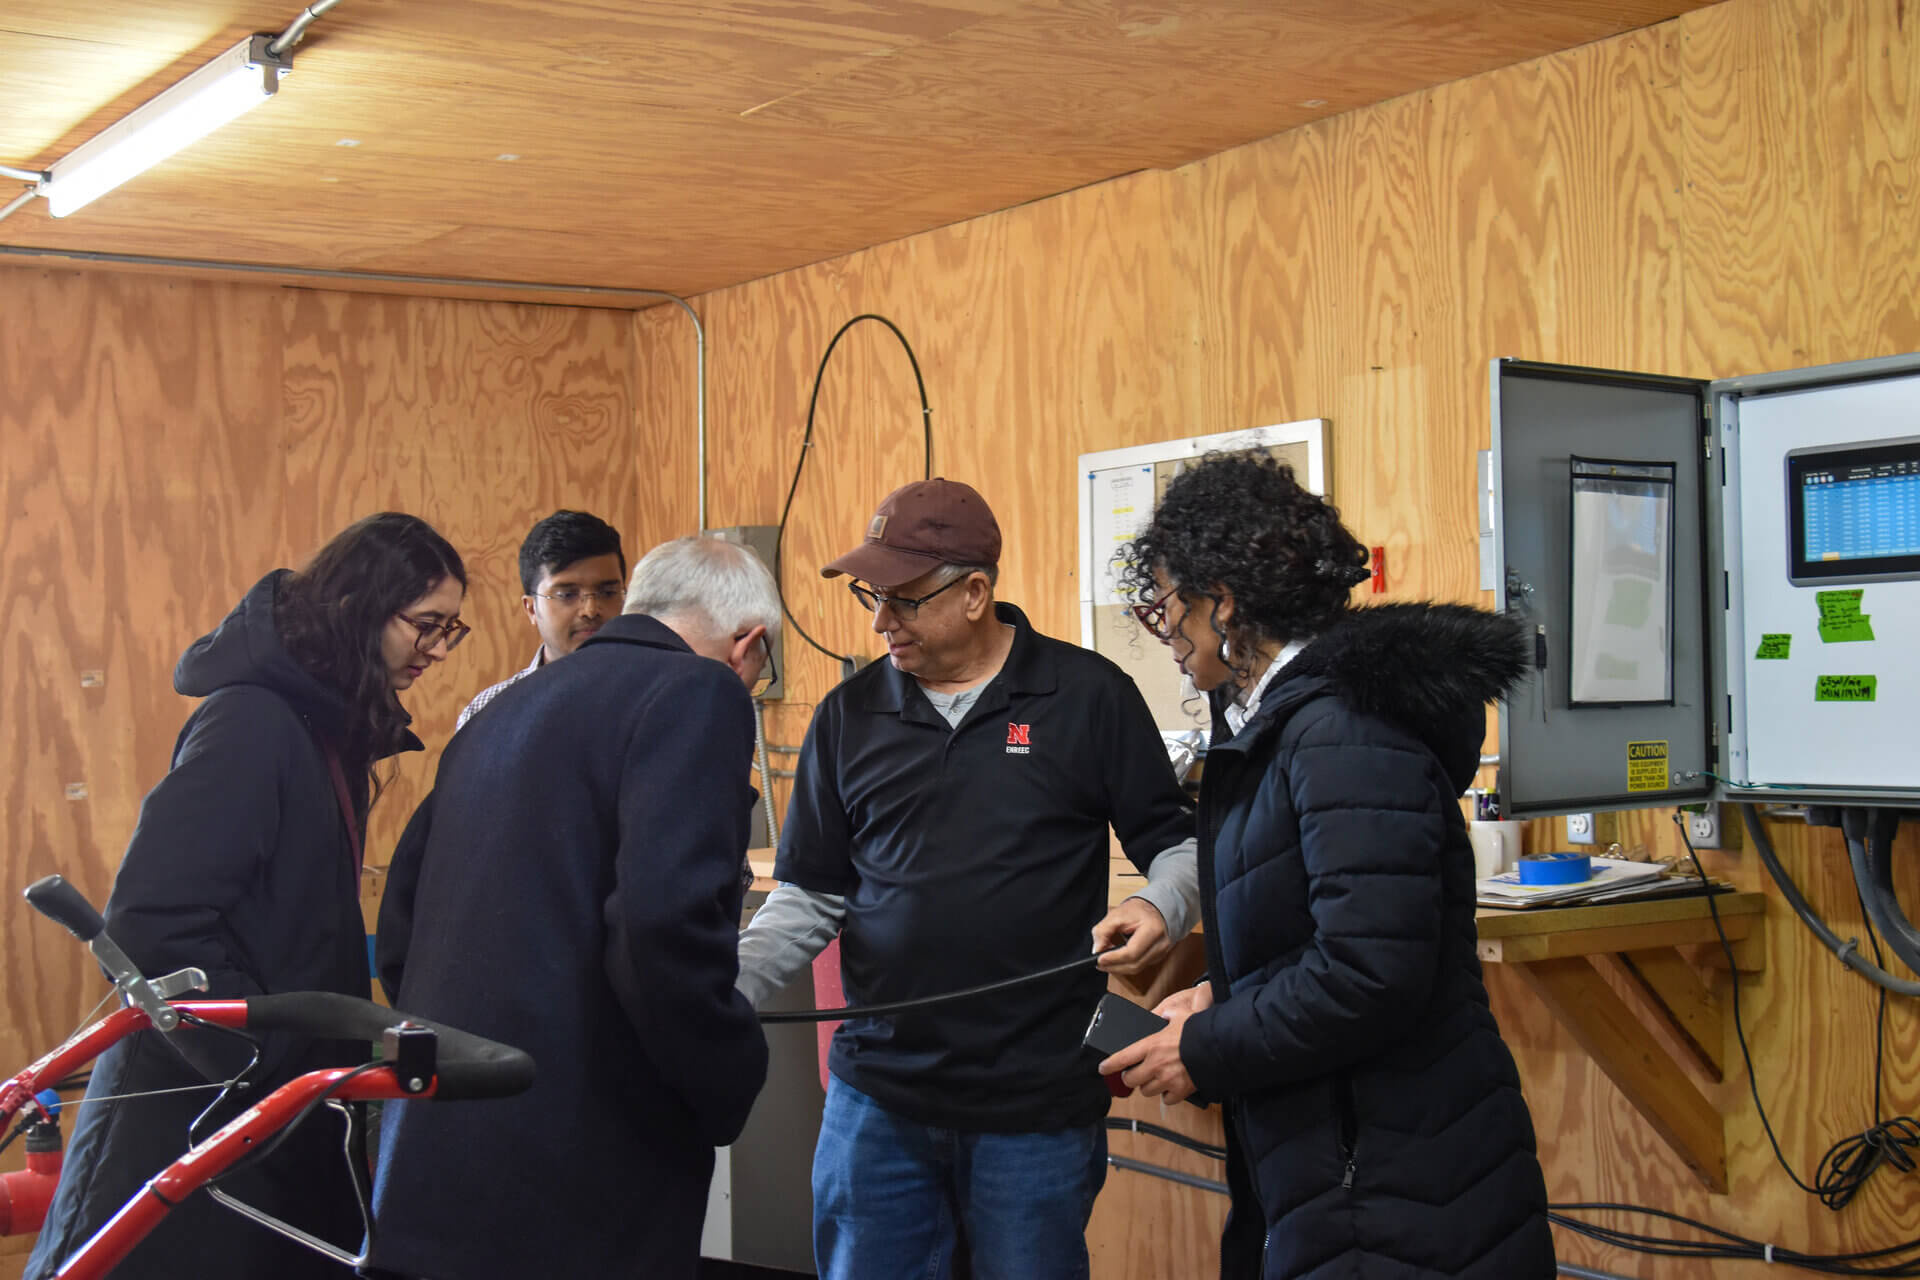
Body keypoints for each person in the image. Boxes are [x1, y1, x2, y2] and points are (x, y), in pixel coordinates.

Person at [1099, 452, 1556, 1280]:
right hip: (1347, 1169)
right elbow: (1313, 934)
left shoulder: (1342, 731)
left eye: (1167, 607)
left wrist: (1206, 1047)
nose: (1165, 635)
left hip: (1396, 1189)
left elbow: (1370, 971)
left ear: (1222, 602)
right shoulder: (1283, 725)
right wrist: (1221, 997)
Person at [734, 477, 1199, 1280]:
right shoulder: (847, 715)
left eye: (903, 599)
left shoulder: (1089, 697)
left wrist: (1160, 905)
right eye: (872, 597)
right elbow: (809, 897)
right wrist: (723, 987)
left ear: (975, 592)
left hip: (1035, 1106)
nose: (881, 621)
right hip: (878, 1102)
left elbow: (1181, 846)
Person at [26, 513, 468, 1280]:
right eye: (426, 625)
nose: (436, 649)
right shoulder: (253, 723)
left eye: (449, 630)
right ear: (358, 606)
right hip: (192, 1121)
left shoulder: (318, 728)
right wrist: (259, 1058)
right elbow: (149, 925)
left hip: (256, 1117)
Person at [367, 535, 777, 1280]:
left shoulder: (500, 710)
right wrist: (729, 1075)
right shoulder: (701, 691)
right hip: (585, 1168)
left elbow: (400, 925)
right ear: (748, 646)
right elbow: (662, 925)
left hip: (435, 1154)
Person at [456, 508, 625, 728]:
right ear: (531, 609)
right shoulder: (486, 713)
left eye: (608, 593)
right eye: (567, 595)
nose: (590, 610)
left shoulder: (655, 697)